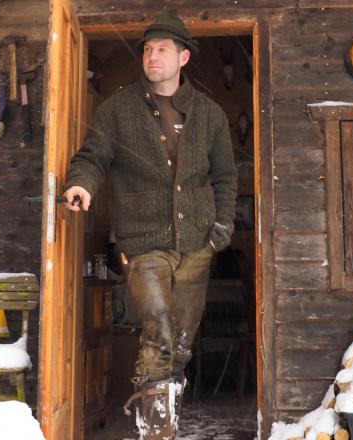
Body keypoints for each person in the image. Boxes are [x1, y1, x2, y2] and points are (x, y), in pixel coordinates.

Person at [62, 10, 236, 440]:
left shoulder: (209, 114)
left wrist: (222, 228)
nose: (151, 56)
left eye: (161, 49)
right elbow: (92, 156)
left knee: (180, 341)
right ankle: (154, 432)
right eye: (147, 49)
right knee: (157, 328)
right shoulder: (116, 109)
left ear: (183, 58)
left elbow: (225, 177)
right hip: (143, 240)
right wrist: (81, 185)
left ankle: (164, 423)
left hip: (197, 241)